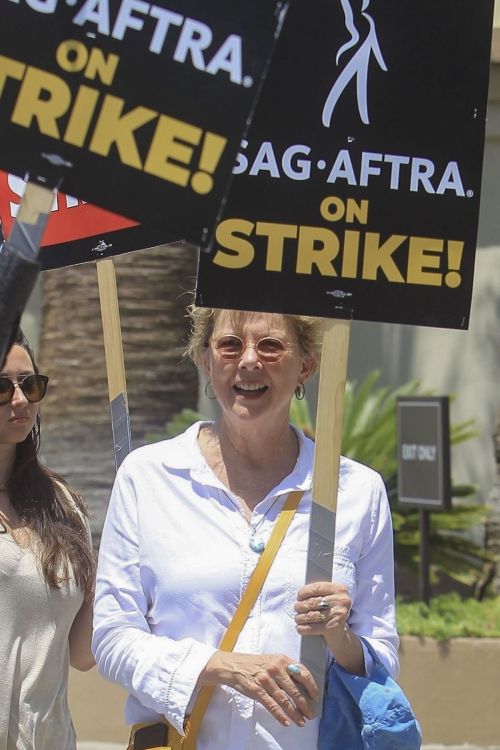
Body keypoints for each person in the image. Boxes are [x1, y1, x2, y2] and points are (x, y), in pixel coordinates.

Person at [92, 307, 399, 750]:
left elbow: (382, 655)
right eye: (230, 345)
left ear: (306, 367)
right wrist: (224, 666)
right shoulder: (148, 476)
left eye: (271, 345)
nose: (249, 360)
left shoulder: (356, 491)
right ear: (206, 361)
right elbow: (112, 637)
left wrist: (339, 634)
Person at [0, 330, 95, 750]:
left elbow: (82, 654)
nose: (20, 400)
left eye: (30, 384)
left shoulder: (63, 504)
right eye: (2, 388)